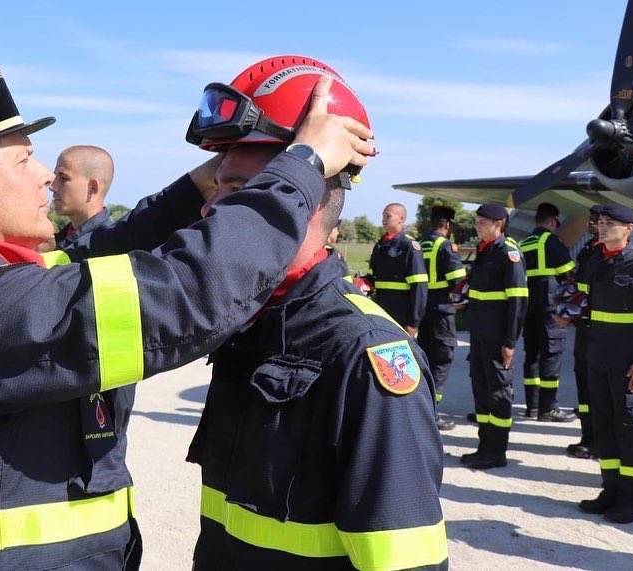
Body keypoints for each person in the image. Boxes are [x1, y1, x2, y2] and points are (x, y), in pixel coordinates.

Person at [0, 60, 372, 569]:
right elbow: (188, 289)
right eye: (25, 162)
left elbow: (112, 245)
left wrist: (230, 162)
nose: (44, 177)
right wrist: (302, 164)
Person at [183, 56, 448, 570]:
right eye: (216, 187)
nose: (208, 209)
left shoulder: (365, 351)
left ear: (299, 200)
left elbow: (405, 558)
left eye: (235, 192)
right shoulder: (249, 321)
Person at [577, 204, 633, 524]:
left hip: (629, 366)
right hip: (599, 360)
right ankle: (612, 488)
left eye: (610, 224)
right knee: (604, 427)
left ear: (629, 228)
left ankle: (632, 499)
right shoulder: (596, 262)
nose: (602, 228)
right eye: (600, 223)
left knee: (629, 430)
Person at [462, 203, 527, 470]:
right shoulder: (484, 250)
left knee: (498, 396)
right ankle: (484, 447)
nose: (477, 225)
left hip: (497, 339)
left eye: (482, 222)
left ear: (498, 224)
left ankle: (496, 451)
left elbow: (518, 302)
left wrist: (510, 342)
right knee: (482, 394)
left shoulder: (507, 253)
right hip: (479, 337)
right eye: (477, 221)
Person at [518, 202, 577, 422]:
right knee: (551, 355)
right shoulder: (550, 240)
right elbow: (568, 273)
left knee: (532, 356)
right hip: (549, 305)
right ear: (552, 222)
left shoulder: (524, 243)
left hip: (528, 306)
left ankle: (532, 407)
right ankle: (548, 408)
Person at [419, 205, 467, 431]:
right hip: (442, 309)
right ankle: (433, 413)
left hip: (423, 308)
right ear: (447, 225)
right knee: (442, 359)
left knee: (426, 357)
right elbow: (458, 279)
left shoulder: (421, 243)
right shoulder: (446, 245)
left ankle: (422, 408)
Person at [566, 205, 603, 458]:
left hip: (602, 332)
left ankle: (599, 441)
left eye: (597, 220)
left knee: (599, 391)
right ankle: (588, 436)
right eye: (591, 219)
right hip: (585, 328)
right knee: (585, 386)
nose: (591, 223)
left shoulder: (612, 256)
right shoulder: (590, 250)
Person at [369, 202, 428, 337]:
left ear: (400, 219)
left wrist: (413, 322)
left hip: (401, 316)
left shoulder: (409, 246)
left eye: (388, 216)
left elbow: (419, 287)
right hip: (381, 313)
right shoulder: (380, 244)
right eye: (383, 215)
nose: (384, 218)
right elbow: (373, 276)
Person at [51, 145, 115, 244]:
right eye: (55, 176)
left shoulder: (109, 246)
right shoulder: (55, 243)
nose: (52, 187)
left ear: (93, 187)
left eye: (63, 178)